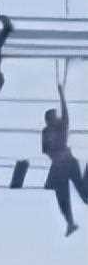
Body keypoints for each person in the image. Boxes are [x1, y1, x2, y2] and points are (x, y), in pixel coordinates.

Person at [42, 83, 87, 237]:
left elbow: (65, 112)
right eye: (54, 117)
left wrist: (62, 95)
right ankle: (70, 223)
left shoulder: (60, 126)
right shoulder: (48, 131)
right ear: (49, 120)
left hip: (67, 163)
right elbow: (46, 150)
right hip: (61, 166)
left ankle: (70, 223)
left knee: (82, 194)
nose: (57, 118)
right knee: (62, 195)